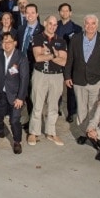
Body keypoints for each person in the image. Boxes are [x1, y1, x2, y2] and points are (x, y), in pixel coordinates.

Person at [64, 14, 100, 144]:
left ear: (97, 25)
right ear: (84, 24)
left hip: (97, 82)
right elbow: (70, 59)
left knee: (94, 109)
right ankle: (83, 133)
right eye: (87, 23)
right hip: (79, 81)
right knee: (81, 109)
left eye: (93, 23)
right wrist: (67, 76)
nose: (90, 26)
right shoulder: (76, 39)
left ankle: (93, 133)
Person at [27, 16, 67, 147]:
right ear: (45, 23)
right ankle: (33, 132)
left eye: (55, 25)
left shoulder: (61, 41)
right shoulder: (37, 38)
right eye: (50, 24)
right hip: (40, 74)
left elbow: (63, 61)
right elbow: (38, 58)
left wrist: (49, 55)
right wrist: (54, 55)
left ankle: (51, 132)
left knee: (54, 106)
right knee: (37, 105)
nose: (52, 26)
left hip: (56, 76)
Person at [0, 32, 28, 155]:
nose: (7, 45)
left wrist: (20, 97)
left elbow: (24, 79)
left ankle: (17, 141)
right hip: (1, 92)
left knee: (14, 120)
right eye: (4, 42)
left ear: (15, 43)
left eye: (9, 42)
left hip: (15, 95)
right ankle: (0, 131)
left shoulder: (21, 57)